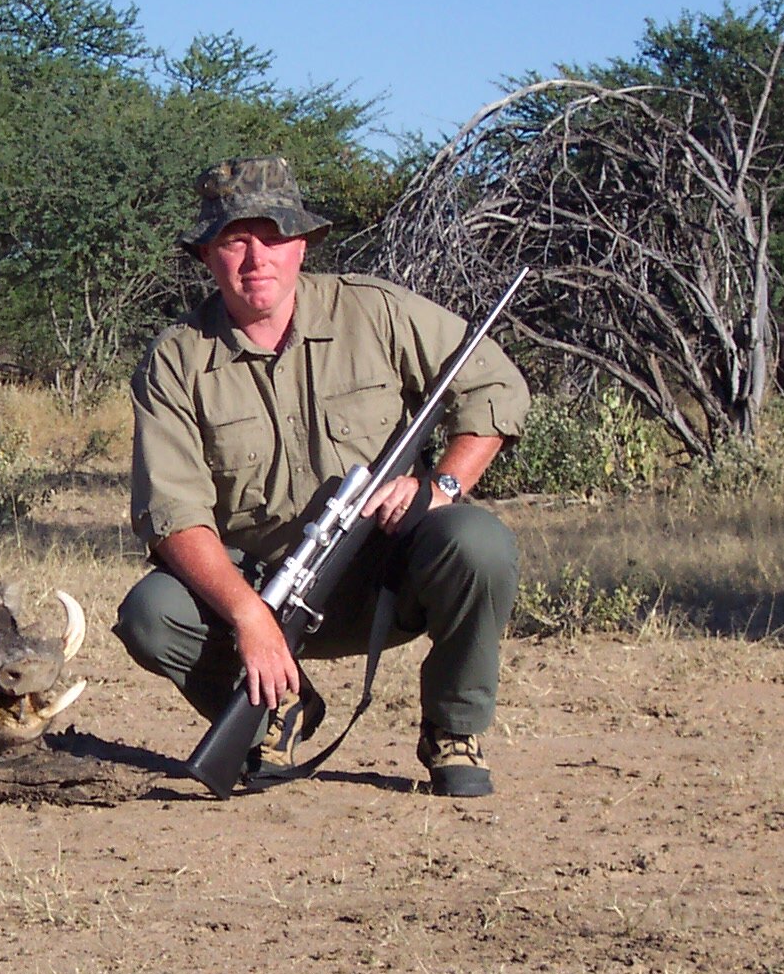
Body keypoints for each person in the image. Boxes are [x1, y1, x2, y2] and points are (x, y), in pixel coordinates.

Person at [114, 156, 528, 795]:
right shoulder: (175, 360)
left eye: (274, 238)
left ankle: (454, 731)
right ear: (207, 257)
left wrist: (441, 486)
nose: (257, 259)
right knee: (151, 611)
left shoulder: (377, 311)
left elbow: (496, 385)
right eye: (235, 241)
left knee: (478, 542)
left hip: (389, 577)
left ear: (302, 246)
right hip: (260, 592)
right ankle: (274, 716)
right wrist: (251, 619)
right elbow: (175, 519)